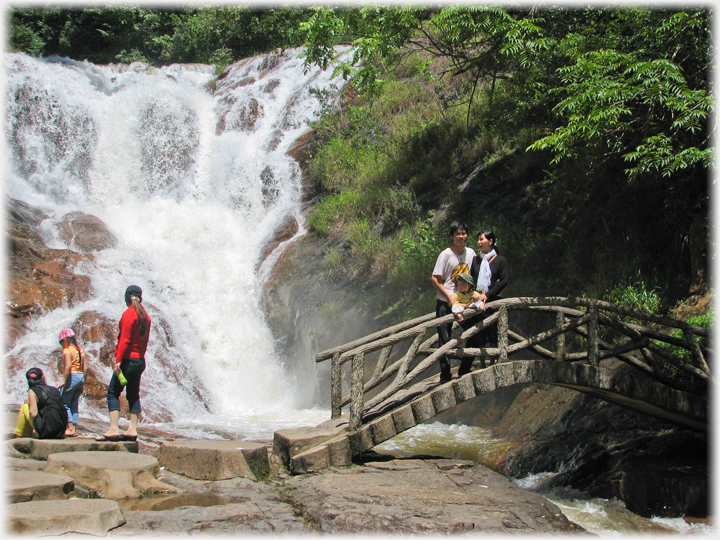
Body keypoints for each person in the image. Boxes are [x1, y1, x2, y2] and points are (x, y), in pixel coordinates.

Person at [99, 285, 151, 442]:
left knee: (113, 392)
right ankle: (132, 429)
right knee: (133, 394)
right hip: (139, 360)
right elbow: (145, 340)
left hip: (128, 361)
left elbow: (125, 340)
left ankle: (114, 428)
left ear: (127, 297)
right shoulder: (145, 316)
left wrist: (118, 360)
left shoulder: (129, 314)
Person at [431, 221, 476, 382]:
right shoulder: (445, 255)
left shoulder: (471, 253)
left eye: (463, 233)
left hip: (464, 301)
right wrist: (449, 297)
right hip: (445, 302)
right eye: (458, 234)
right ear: (452, 236)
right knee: (444, 339)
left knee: (476, 332)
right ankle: (445, 375)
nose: (461, 237)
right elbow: (435, 279)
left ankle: (464, 368)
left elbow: (478, 271)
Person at [460, 230, 510, 376]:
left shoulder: (500, 260)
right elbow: (471, 280)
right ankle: (482, 364)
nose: (479, 242)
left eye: (481, 239)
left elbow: (504, 280)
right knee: (480, 333)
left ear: (491, 241)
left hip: (493, 301)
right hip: (477, 302)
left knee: (494, 333)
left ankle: (495, 363)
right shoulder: (476, 261)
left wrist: (488, 294)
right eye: (478, 240)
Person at [13, 367, 68, 439]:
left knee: (24, 407)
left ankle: (20, 435)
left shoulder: (32, 391)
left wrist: (29, 404)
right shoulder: (54, 389)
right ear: (43, 377)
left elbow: (33, 413)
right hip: (60, 431)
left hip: (47, 432)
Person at [58, 328, 87, 436]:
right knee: (74, 403)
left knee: (64, 402)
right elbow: (86, 369)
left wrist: (64, 381)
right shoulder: (80, 350)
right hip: (80, 377)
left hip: (73, 376)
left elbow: (68, 366)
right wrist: (83, 383)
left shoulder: (67, 350)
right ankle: (74, 428)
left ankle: (69, 428)